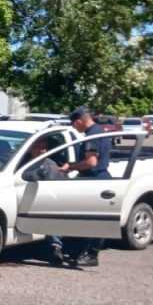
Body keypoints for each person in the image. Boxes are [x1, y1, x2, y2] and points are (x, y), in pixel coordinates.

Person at [58, 106, 112, 266]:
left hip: (95, 180)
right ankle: (79, 252)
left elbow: (91, 162)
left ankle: (91, 255)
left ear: (79, 121)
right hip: (99, 179)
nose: (75, 128)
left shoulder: (91, 136)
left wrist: (70, 166)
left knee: (93, 220)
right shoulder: (99, 130)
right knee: (91, 219)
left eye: (75, 125)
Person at [20, 137, 67, 264]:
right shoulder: (22, 162)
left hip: (44, 199)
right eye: (39, 147)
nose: (42, 150)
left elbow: (50, 188)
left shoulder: (49, 165)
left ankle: (55, 247)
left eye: (44, 148)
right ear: (30, 149)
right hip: (23, 196)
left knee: (52, 215)